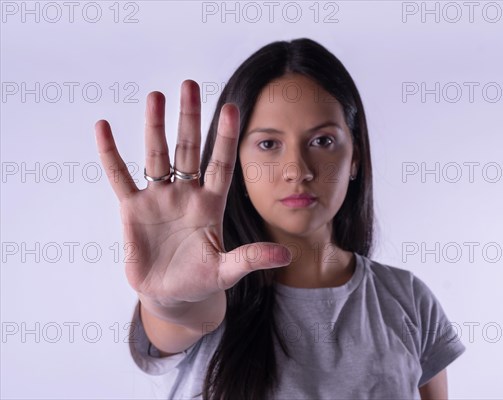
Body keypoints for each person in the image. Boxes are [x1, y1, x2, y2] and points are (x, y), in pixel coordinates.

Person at [94, 38, 466, 400]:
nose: (297, 170)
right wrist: (169, 301)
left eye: (322, 141)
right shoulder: (205, 294)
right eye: (269, 144)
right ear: (236, 162)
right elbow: (181, 315)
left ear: (354, 156)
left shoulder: (408, 300)